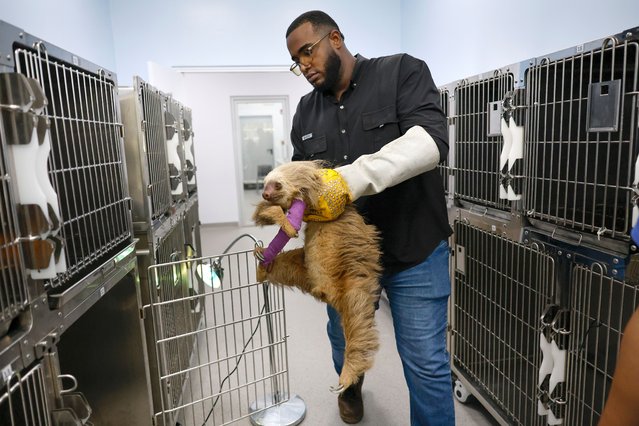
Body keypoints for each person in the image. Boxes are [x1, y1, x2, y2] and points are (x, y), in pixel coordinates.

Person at [285, 10, 455, 425]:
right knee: (344, 343)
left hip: (414, 248)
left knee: (426, 363)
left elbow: (430, 143)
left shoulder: (402, 72)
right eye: (297, 61)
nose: (305, 66)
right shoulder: (306, 113)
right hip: (345, 259)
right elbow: (301, 179)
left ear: (335, 39)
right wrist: (290, 205)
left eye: (308, 52)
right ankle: (351, 387)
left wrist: (348, 180)